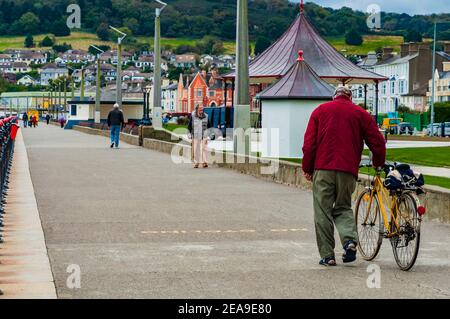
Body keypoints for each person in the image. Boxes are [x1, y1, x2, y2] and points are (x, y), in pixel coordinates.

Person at [302, 86, 386, 267]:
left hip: (323, 168)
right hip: (348, 170)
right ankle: (349, 242)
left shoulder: (320, 111)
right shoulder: (361, 114)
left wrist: (307, 168)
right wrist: (378, 161)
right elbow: (377, 142)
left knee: (322, 212)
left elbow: (309, 145)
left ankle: (327, 256)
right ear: (350, 97)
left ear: (334, 96)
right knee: (343, 207)